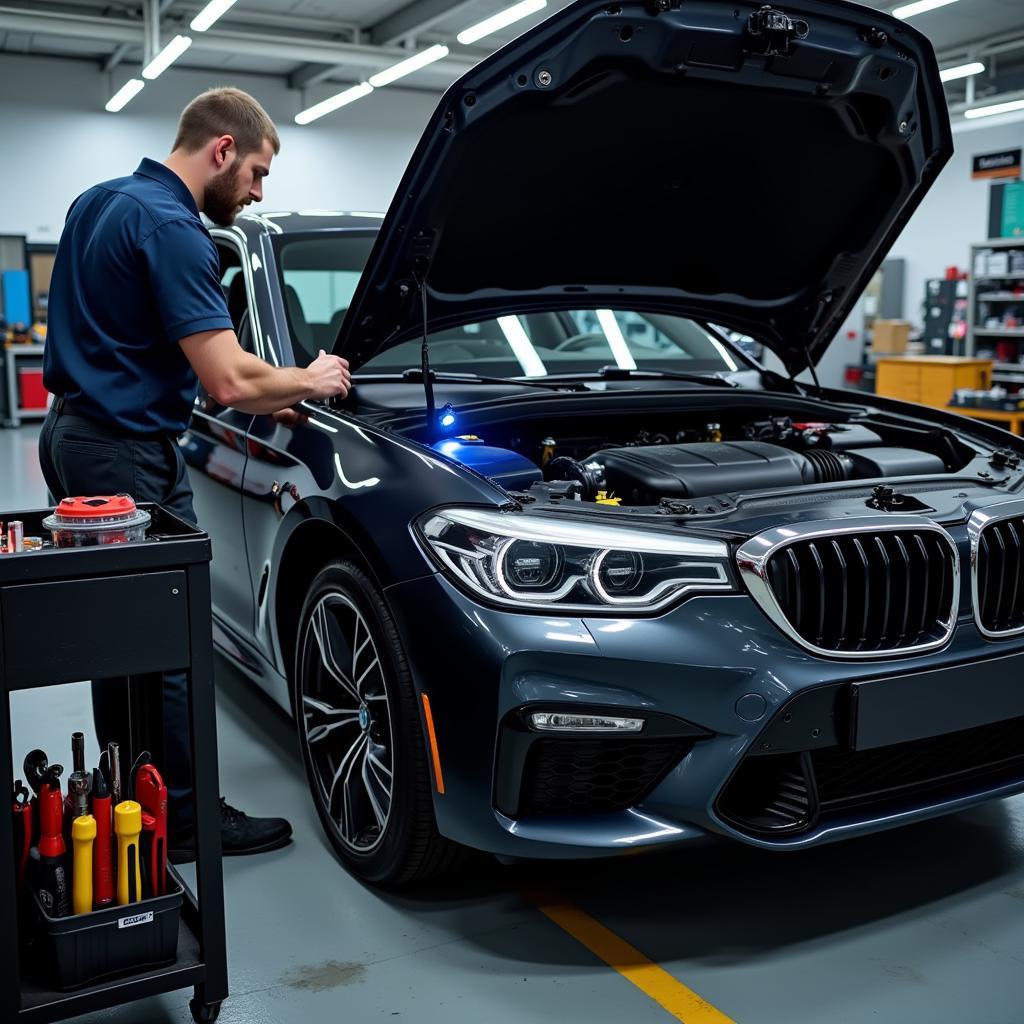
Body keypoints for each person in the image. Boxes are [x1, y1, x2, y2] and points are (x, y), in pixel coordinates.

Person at [38, 87, 351, 859]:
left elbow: (164, 343)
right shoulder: (177, 230)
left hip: (75, 435)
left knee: (118, 643)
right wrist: (306, 382)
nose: (257, 191)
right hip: (126, 452)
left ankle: (124, 804)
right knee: (172, 642)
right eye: (257, 172)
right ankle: (182, 823)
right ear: (222, 149)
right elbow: (228, 384)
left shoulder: (97, 201)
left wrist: (269, 389)